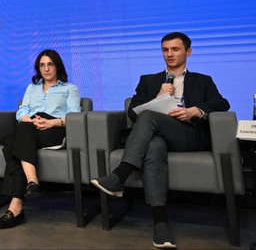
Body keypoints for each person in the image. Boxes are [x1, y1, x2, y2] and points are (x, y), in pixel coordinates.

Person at [91, 32, 230, 249]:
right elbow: (133, 113)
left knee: (149, 118)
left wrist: (194, 111)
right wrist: (157, 97)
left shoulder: (203, 80)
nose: (169, 54)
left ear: (188, 52)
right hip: (156, 136)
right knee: (154, 145)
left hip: (188, 135)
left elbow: (222, 103)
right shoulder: (148, 80)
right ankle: (160, 223)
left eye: (175, 49)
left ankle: (120, 175)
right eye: (165, 50)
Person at [0, 49, 81, 229]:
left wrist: (52, 122)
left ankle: (27, 189)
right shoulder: (31, 88)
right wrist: (31, 121)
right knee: (20, 133)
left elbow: (74, 115)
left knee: (9, 144)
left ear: (57, 66)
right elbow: (22, 111)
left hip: (54, 129)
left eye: (50, 64)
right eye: (42, 65)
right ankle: (21, 198)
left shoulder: (69, 88)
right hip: (31, 126)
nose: (46, 69)